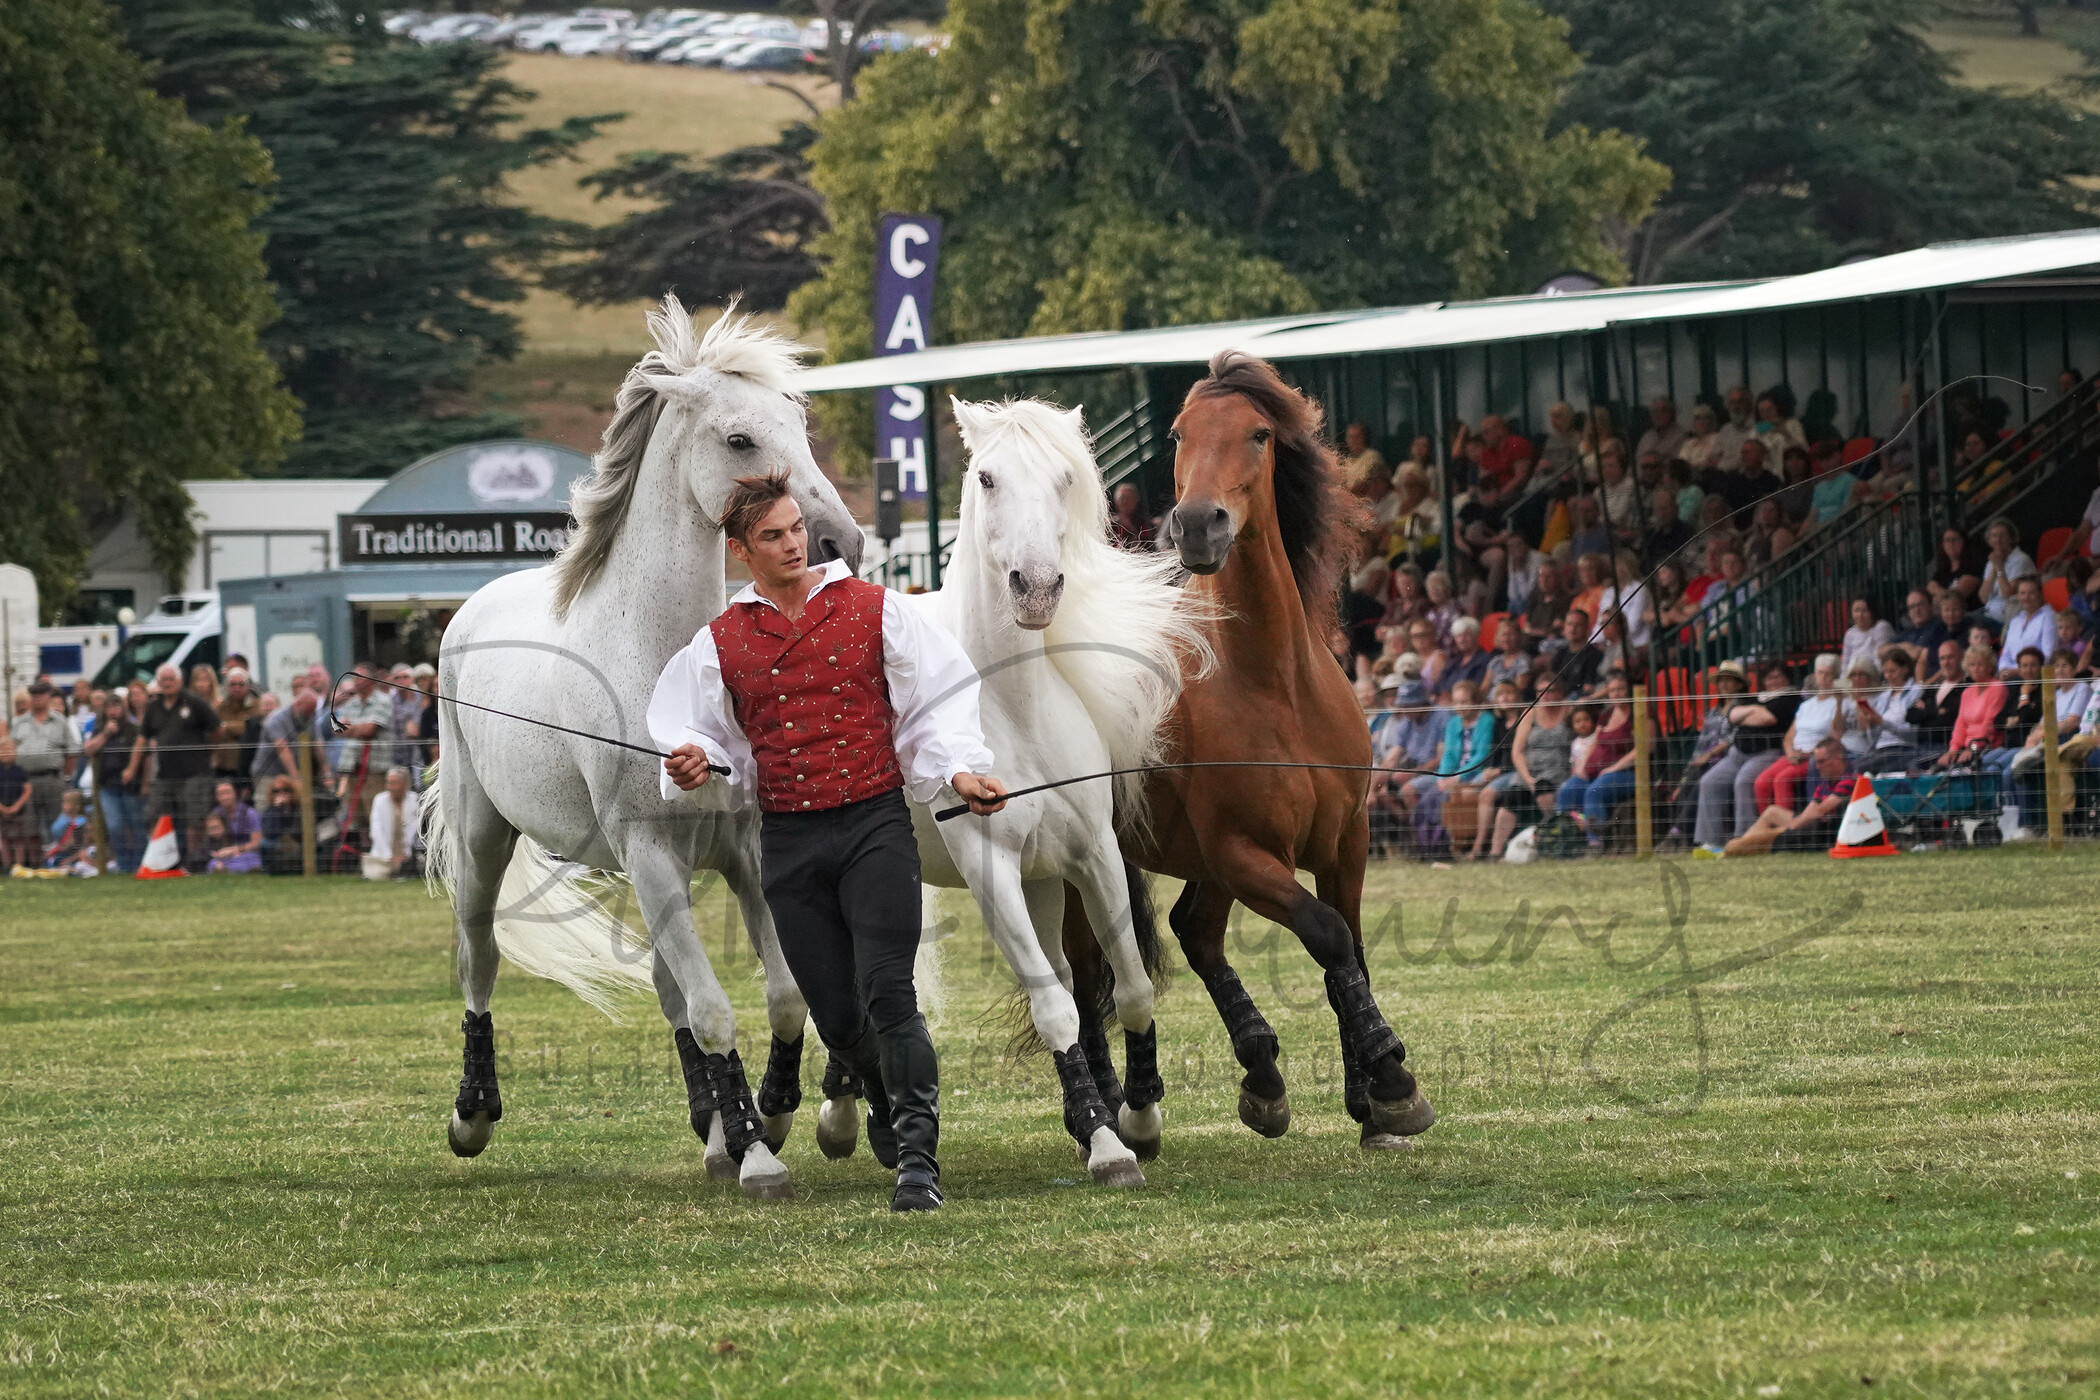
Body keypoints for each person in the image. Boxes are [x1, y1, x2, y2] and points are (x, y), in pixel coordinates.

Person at [652, 473, 1005, 1214]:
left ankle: (918, 1160)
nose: (792, 544)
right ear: (740, 550)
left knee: (890, 994)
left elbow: (935, 703)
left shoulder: (877, 610)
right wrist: (689, 758)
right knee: (839, 1020)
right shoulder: (718, 642)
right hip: (787, 841)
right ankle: (877, 1091)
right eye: (772, 536)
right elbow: (700, 734)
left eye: (795, 529)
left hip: (876, 825)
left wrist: (961, 771)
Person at [1694, 660, 1799, 854]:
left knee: (1744, 781)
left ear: (1787, 678)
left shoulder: (1790, 698)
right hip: (1738, 753)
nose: (1773, 681)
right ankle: (1711, 843)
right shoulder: (1756, 698)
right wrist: (1753, 712)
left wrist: (1748, 714)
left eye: (1778, 676)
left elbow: (1769, 719)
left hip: (1766, 752)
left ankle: (1744, 839)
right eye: (1769, 677)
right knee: (1709, 781)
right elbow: (1733, 715)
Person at [1658, 661, 1750, 852]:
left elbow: (1734, 739)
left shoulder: (1744, 708)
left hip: (1729, 760)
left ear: (1740, 684)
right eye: (1721, 681)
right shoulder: (1713, 713)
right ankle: (1682, 836)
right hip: (1706, 762)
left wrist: (1709, 754)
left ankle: (1677, 833)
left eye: (1729, 681)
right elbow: (1700, 746)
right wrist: (1687, 774)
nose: (1724, 685)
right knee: (1686, 787)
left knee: (1700, 782)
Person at [138, 663, 220, 863]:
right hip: (165, 774)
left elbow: (216, 729)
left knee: (195, 819)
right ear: (158, 682)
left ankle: (194, 862)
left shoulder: (195, 702)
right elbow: (142, 738)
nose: (167, 683)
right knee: (155, 816)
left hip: (195, 772)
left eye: (171, 679)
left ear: (180, 681)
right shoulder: (153, 708)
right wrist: (132, 768)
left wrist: (212, 753)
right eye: (163, 680)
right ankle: (162, 861)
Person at [1723, 739, 1857, 857]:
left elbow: (1819, 811)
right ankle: (1741, 843)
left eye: (1821, 762)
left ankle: (1737, 846)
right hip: (1808, 827)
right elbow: (1811, 810)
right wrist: (1796, 824)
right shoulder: (1826, 783)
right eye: (1816, 762)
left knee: (1733, 847)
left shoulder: (1849, 780)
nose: (1817, 767)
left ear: (1838, 758)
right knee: (1772, 811)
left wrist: (1792, 827)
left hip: (1817, 833)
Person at [1486, 677, 1574, 858]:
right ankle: (1495, 852)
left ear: (1560, 692)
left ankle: (1553, 842)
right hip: (1530, 771)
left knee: (1544, 790)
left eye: (1550, 691)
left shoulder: (1569, 710)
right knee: (1511, 797)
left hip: (1557, 768)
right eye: (1541, 691)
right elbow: (1517, 751)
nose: (1546, 695)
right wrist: (1527, 777)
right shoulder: (1530, 713)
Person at [1554, 672, 1637, 852]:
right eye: (1612, 690)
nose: (1616, 694)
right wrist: (1584, 765)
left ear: (1629, 690)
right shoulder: (1606, 715)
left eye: (1621, 689)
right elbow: (1596, 743)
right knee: (1567, 790)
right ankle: (1563, 841)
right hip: (1596, 772)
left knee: (1594, 791)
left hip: (1628, 773)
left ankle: (1595, 843)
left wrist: (1614, 767)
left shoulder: (1638, 713)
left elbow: (1643, 749)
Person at [83, 690, 144, 871]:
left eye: (116, 706)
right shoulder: (99, 728)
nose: (112, 711)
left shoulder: (133, 729)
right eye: (108, 707)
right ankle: (124, 865)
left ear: (123, 708)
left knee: (136, 825)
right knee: (115, 826)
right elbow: (88, 750)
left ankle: (140, 864)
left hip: (131, 786)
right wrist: (105, 733)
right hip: (107, 786)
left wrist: (141, 780)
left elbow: (144, 755)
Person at [1933, 644, 2009, 770]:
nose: (1976, 669)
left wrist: (1973, 747)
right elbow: (1960, 723)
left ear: (1990, 667)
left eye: (1980, 664)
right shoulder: (1967, 692)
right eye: (1972, 665)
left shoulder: (1998, 688)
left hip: (1987, 746)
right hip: (1966, 747)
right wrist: (1953, 750)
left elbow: (1989, 723)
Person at [1853, 649, 1928, 774]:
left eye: (1892, 671)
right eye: (1886, 672)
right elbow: (1874, 738)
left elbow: (1912, 733)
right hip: (1880, 748)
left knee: (1862, 769)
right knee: (1855, 765)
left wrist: (1883, 723)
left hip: (1903, 748)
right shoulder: (1883, 697)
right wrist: (1870, 725)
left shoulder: (1916, 692)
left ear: (1905, 669)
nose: (1888, 676)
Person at [213, 668, 263, 800]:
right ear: (227, 686)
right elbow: (215, 729)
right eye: (232, 684)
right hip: (223, 765)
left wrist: (228, 726)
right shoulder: (220, 706)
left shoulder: (257, 705)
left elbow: (249, 728)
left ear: (247, 686)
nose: (237, 688)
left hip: (247, 765)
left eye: (241, 684)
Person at [364, 766, 422, 879]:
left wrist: (406, 854)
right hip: (384, 853)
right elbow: (376, 830)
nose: (389, 787)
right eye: (388, 783)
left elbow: (415, 829)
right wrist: (389, 855)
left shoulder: (415, 799)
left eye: (394, 783)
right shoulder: (379, 800)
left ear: (405, 784)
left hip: (409, 854)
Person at [1978, 517, 2036, 624]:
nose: (1998, 540)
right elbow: (1983, 597)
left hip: (2008, 616)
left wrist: (1999, 567)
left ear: (2011, 538)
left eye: (2002, 535)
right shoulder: (1992, 562)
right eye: (1994, 536)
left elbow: (2007, 594)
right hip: (1988, 612)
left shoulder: (2021, 560)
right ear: (1989, 540)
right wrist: (1994, 569)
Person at [1998, 575, 2056, 675]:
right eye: (2022, 593)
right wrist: (2003, 669)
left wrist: (2018, 671)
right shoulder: (2015, 621)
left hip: (2036, 673)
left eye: (2031, 593)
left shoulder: (2049, 617)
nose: (2026, 597)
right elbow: (2005, 654)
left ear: (2040, 594)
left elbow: (2048, 655)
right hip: (2010, 673)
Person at [203, 780, 263, 873]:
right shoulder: (216, 814)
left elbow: (256, 842)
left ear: (235, 793)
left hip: (247, 852)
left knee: (242, 865)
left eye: (227, 793)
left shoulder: (249, 813)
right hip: (223, 854)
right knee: (212, 865)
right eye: (221, 794)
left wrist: (235, 850)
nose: (225, 797)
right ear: (217, 797)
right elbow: (210, 840)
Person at [259, 776, 306, 874]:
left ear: (292, 791)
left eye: (286, 790)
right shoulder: (270, 811)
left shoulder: (299, 808)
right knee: (264, 843)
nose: (281, 794)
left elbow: (298, 832)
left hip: (295, 841)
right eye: (276, 791)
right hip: (277, 841)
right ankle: (268, 871)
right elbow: (269, 833)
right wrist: (277, 809)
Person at [1840, 598, 1896, 680]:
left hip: (1874, 678)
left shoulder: (1881, 627)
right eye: (1856, 610)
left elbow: (1879, 662)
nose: (1860, 615)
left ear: (1872, 612)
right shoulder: (1850, 633)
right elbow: (1845, 663)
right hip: (1852, 679)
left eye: (1864, 611)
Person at [0, 738, 30, 869]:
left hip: (18, 812)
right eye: (3, 749)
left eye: (9, 749)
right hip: (1, 812)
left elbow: (28, 789)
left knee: (19, 840)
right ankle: (6, 867)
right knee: (4, 840)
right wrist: (2, 808)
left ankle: (19, 867)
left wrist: (16, 807)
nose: (6, 752)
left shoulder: (20, 770)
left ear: (15, 752)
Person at [1108, 482, 1155, 549]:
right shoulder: (1112, 525)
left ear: (1136, 500)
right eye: (1121, 498)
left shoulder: (1143, 523)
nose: (1124, 501)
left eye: (1127, 498)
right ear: (1116, 501)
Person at [1340, 422, 1387, 486]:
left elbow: (1365, 484)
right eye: (1350, 437)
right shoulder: (1347, 460)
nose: (1353, 440)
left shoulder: (1373, 456)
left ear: (1364, 438)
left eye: (1357, 436)